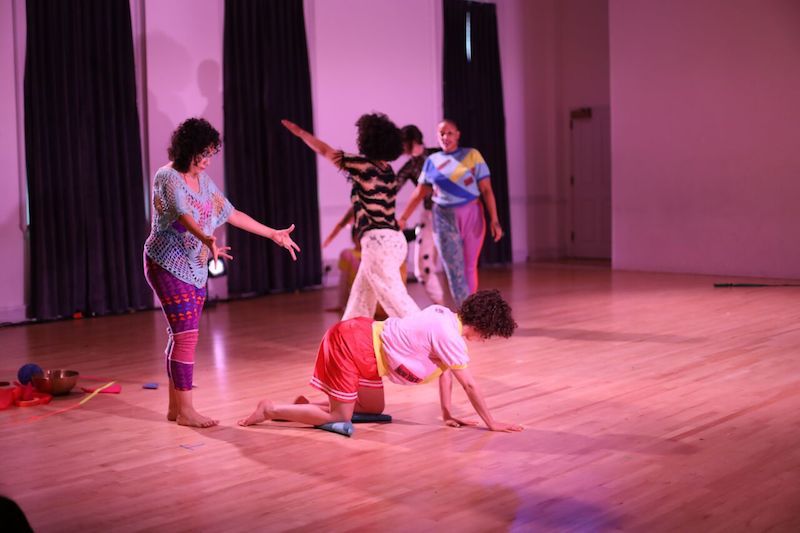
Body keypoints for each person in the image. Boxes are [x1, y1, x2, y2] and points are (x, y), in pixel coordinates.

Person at [144, 117, 300, 428]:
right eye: (203, 154)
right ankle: (187, 411)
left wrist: (273, 234)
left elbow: (232, 213)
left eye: (211, 154)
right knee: (187, 336)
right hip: (165, 263)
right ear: (187, 150)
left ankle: (177, 408)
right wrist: (205, 238)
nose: (207, 161)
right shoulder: (168, 177)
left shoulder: (205, 184)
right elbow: (183, 215)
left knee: (181, 336)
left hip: (196, 265)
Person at [238, 289, 523, 433]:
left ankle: (303, 408)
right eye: (490, 335)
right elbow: (470, 386)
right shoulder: (449, 334)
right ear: (484, 328)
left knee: (374, 408)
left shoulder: (445, 317)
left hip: (367, 350)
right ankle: (271, 409)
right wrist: (492, 423)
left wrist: (447, 413)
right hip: (353, 344)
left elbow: (446, 371)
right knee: (341, 418)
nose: (486, 340)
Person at [282, 114, 419, 320]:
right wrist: (336, 229)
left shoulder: (362, 166)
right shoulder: (387, 170)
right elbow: (358, 206)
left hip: (378, 242)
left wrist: (301, 133)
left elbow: (325, 150)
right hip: (394, 241)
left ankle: (429, 337)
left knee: (397, 302)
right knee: (360, 299)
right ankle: (348, 340)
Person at [398, 119, 504, 308]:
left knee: (469, 266)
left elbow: (487, 190)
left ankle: (469, 311)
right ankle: (465, 313)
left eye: (449, 133)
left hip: (472, 214)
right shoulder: (432, 161)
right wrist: (404, 217)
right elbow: (419, 192)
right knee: (454, 269)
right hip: (443, 216)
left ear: (457, 134)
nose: (445, 137)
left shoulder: (472, 155)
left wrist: (495, 220)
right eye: (441, 134)